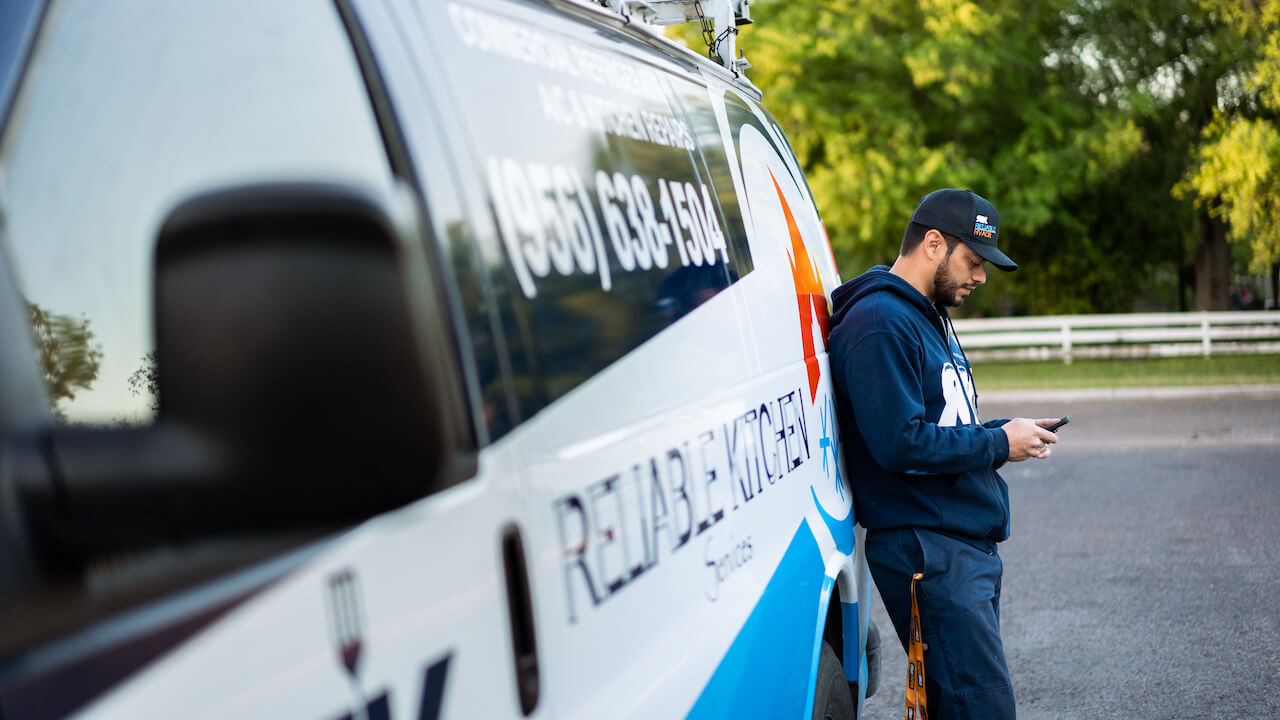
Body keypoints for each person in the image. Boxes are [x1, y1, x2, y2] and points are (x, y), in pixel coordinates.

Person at [828, 188, 1060, 720]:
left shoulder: (925, 316)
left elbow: (940, 425)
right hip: (928, 548)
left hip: (955, 545)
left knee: (963, 704)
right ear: (933, 243)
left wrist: (1005, 432)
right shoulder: (880, 321)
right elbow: (900, 442)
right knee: (978, 709)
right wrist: (998, 443)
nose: (980, 277)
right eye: (973, 262)